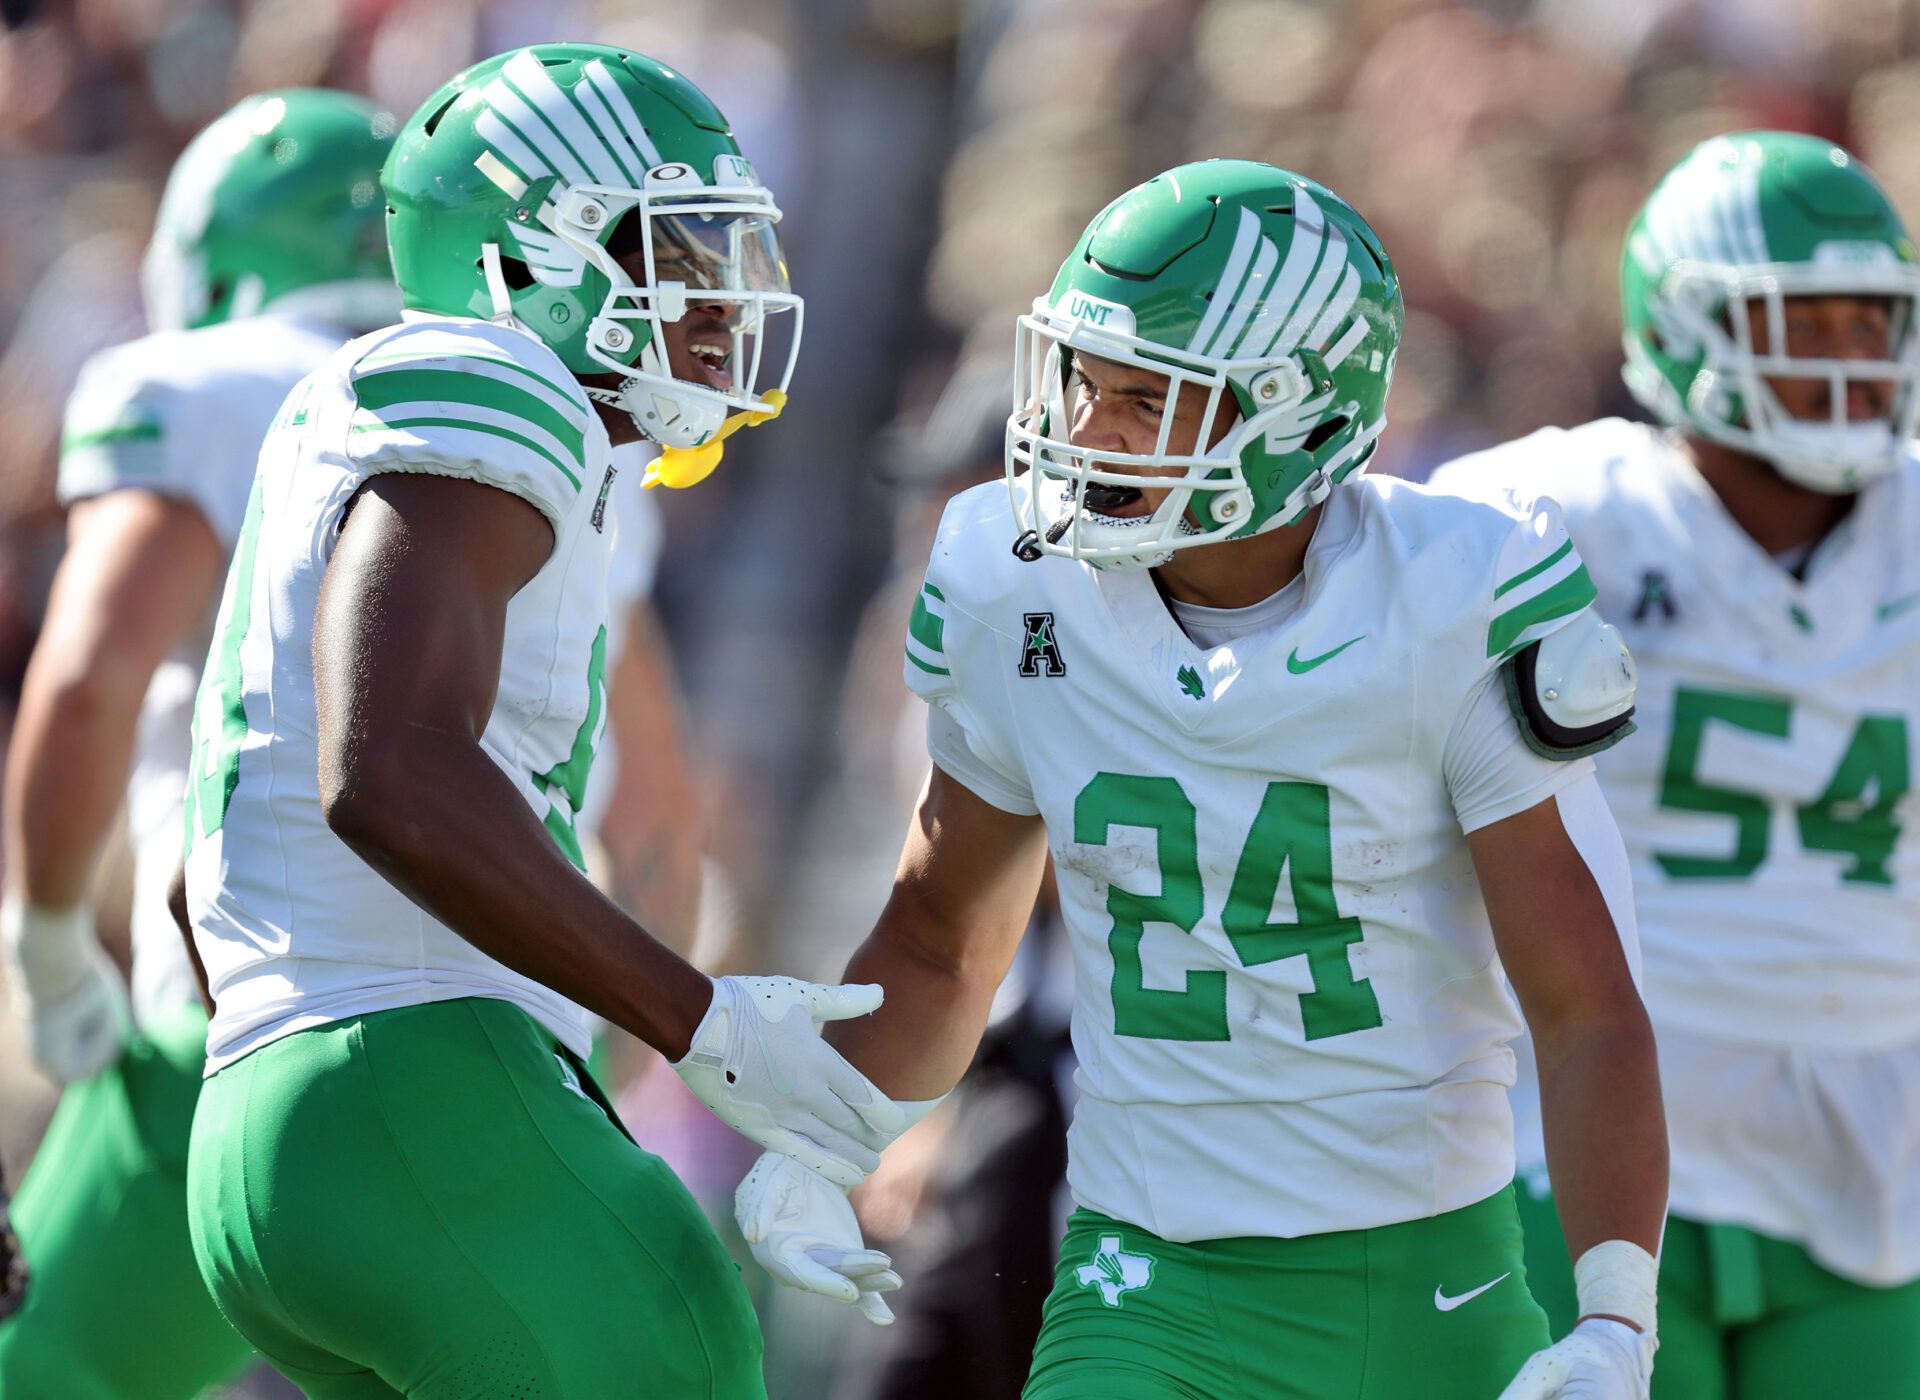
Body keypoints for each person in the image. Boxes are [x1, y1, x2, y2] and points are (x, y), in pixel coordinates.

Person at [736, 158, 1668, 1399]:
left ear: (1301, 416)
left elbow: (1583, 1002)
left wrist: (1614, 1316)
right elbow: (940, 933)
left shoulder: (1453, 595)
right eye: (1085, 379)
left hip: (1425, 1283)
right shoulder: (1015, 579)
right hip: (1144, 1272)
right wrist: (817, 1137)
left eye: (1151, 398)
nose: (1090, 428)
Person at [179, 43, 902, 1398]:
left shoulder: (398, 428)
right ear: (530, 255)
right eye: (683, 251)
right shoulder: (491, 380)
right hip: (409, 1070)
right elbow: (389, 773)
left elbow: (210, 872)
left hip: (293, 1109)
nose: (724, 296)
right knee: (680, 1356)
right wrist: (704, 1025)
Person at [1430, 129, 1920, 1400]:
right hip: (1590, 1128)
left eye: (1877, 322)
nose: (1856, 361)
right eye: (1810, 323)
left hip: (1877, 1142)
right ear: (1690, 326)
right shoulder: (1544, 513)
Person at [0, 88, 398, 1398]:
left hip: (252, 1021)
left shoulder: (206, 386)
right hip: (501, 1060)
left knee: (40, 1372)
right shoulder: (560, 428)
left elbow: (86, 683)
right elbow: (669, 825)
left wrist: (49, 941)